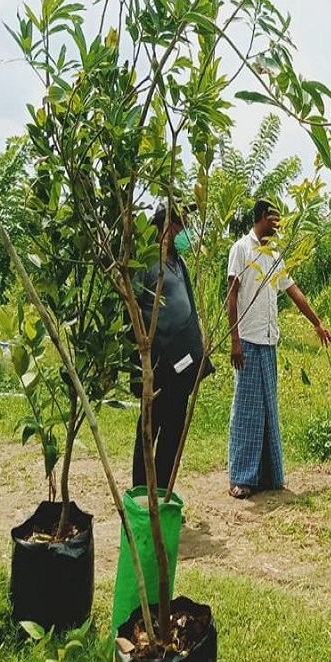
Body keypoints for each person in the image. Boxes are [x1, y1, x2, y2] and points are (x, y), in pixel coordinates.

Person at [226, 199, 331, 499]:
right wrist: (234, 340)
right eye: (275, 220)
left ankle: (268, 474)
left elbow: (293, 290)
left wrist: (316, 322)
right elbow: (231, 297)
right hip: (247, 340)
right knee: (247, 411)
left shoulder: (274, 255)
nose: (279, 226)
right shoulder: (241, 250)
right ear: (262, 218)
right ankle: (241, 478)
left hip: (269, 342)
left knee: (267, 411)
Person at [131, 204, 212, 489]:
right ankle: (143, 493)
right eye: (182, 226)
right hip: (157, 363)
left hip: (182, 361)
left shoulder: (179, 263)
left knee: (174, 428)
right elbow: (133, 308)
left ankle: (163, 493)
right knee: (149, 429)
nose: (186, 233)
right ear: (166, 226)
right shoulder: (147, 262)